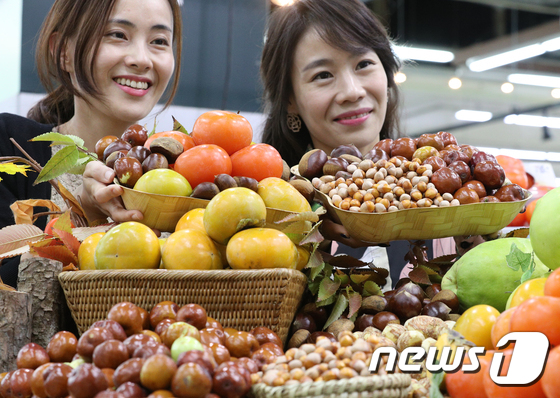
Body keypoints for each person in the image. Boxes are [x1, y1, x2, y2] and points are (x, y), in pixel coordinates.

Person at [0, 0, 183, 288]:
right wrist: (84, 215)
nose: (142, 59)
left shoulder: (183, 178)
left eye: (159, 41)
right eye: (118, 34)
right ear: (64, 52)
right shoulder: (10, 145)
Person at [260, 0, 439, 288]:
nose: (352, 91)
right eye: (323, 75)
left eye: (363, 64)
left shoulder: (442, 195)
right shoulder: (270, 213)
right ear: (290, 100)